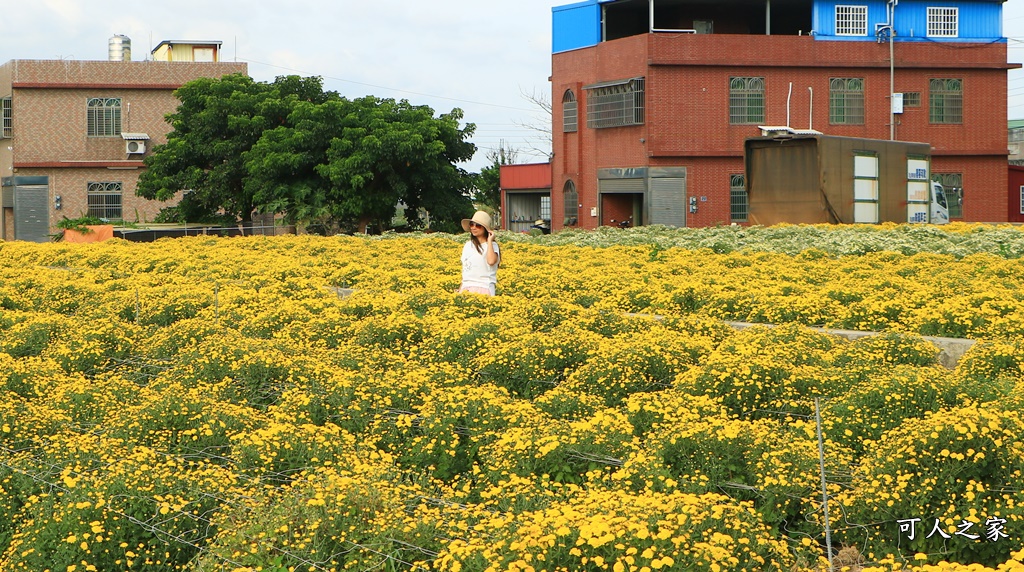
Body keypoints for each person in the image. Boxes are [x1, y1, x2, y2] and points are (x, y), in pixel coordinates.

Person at [458, 211, 500, 296]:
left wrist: (489, 241)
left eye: (478, 225)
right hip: (466, 288)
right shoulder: (467, 245)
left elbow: (491, 261)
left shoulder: (493, 246)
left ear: (485, 228)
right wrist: (460, 290)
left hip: (484, 287)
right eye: (471, 224)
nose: (473, 227)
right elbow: (465, 270)